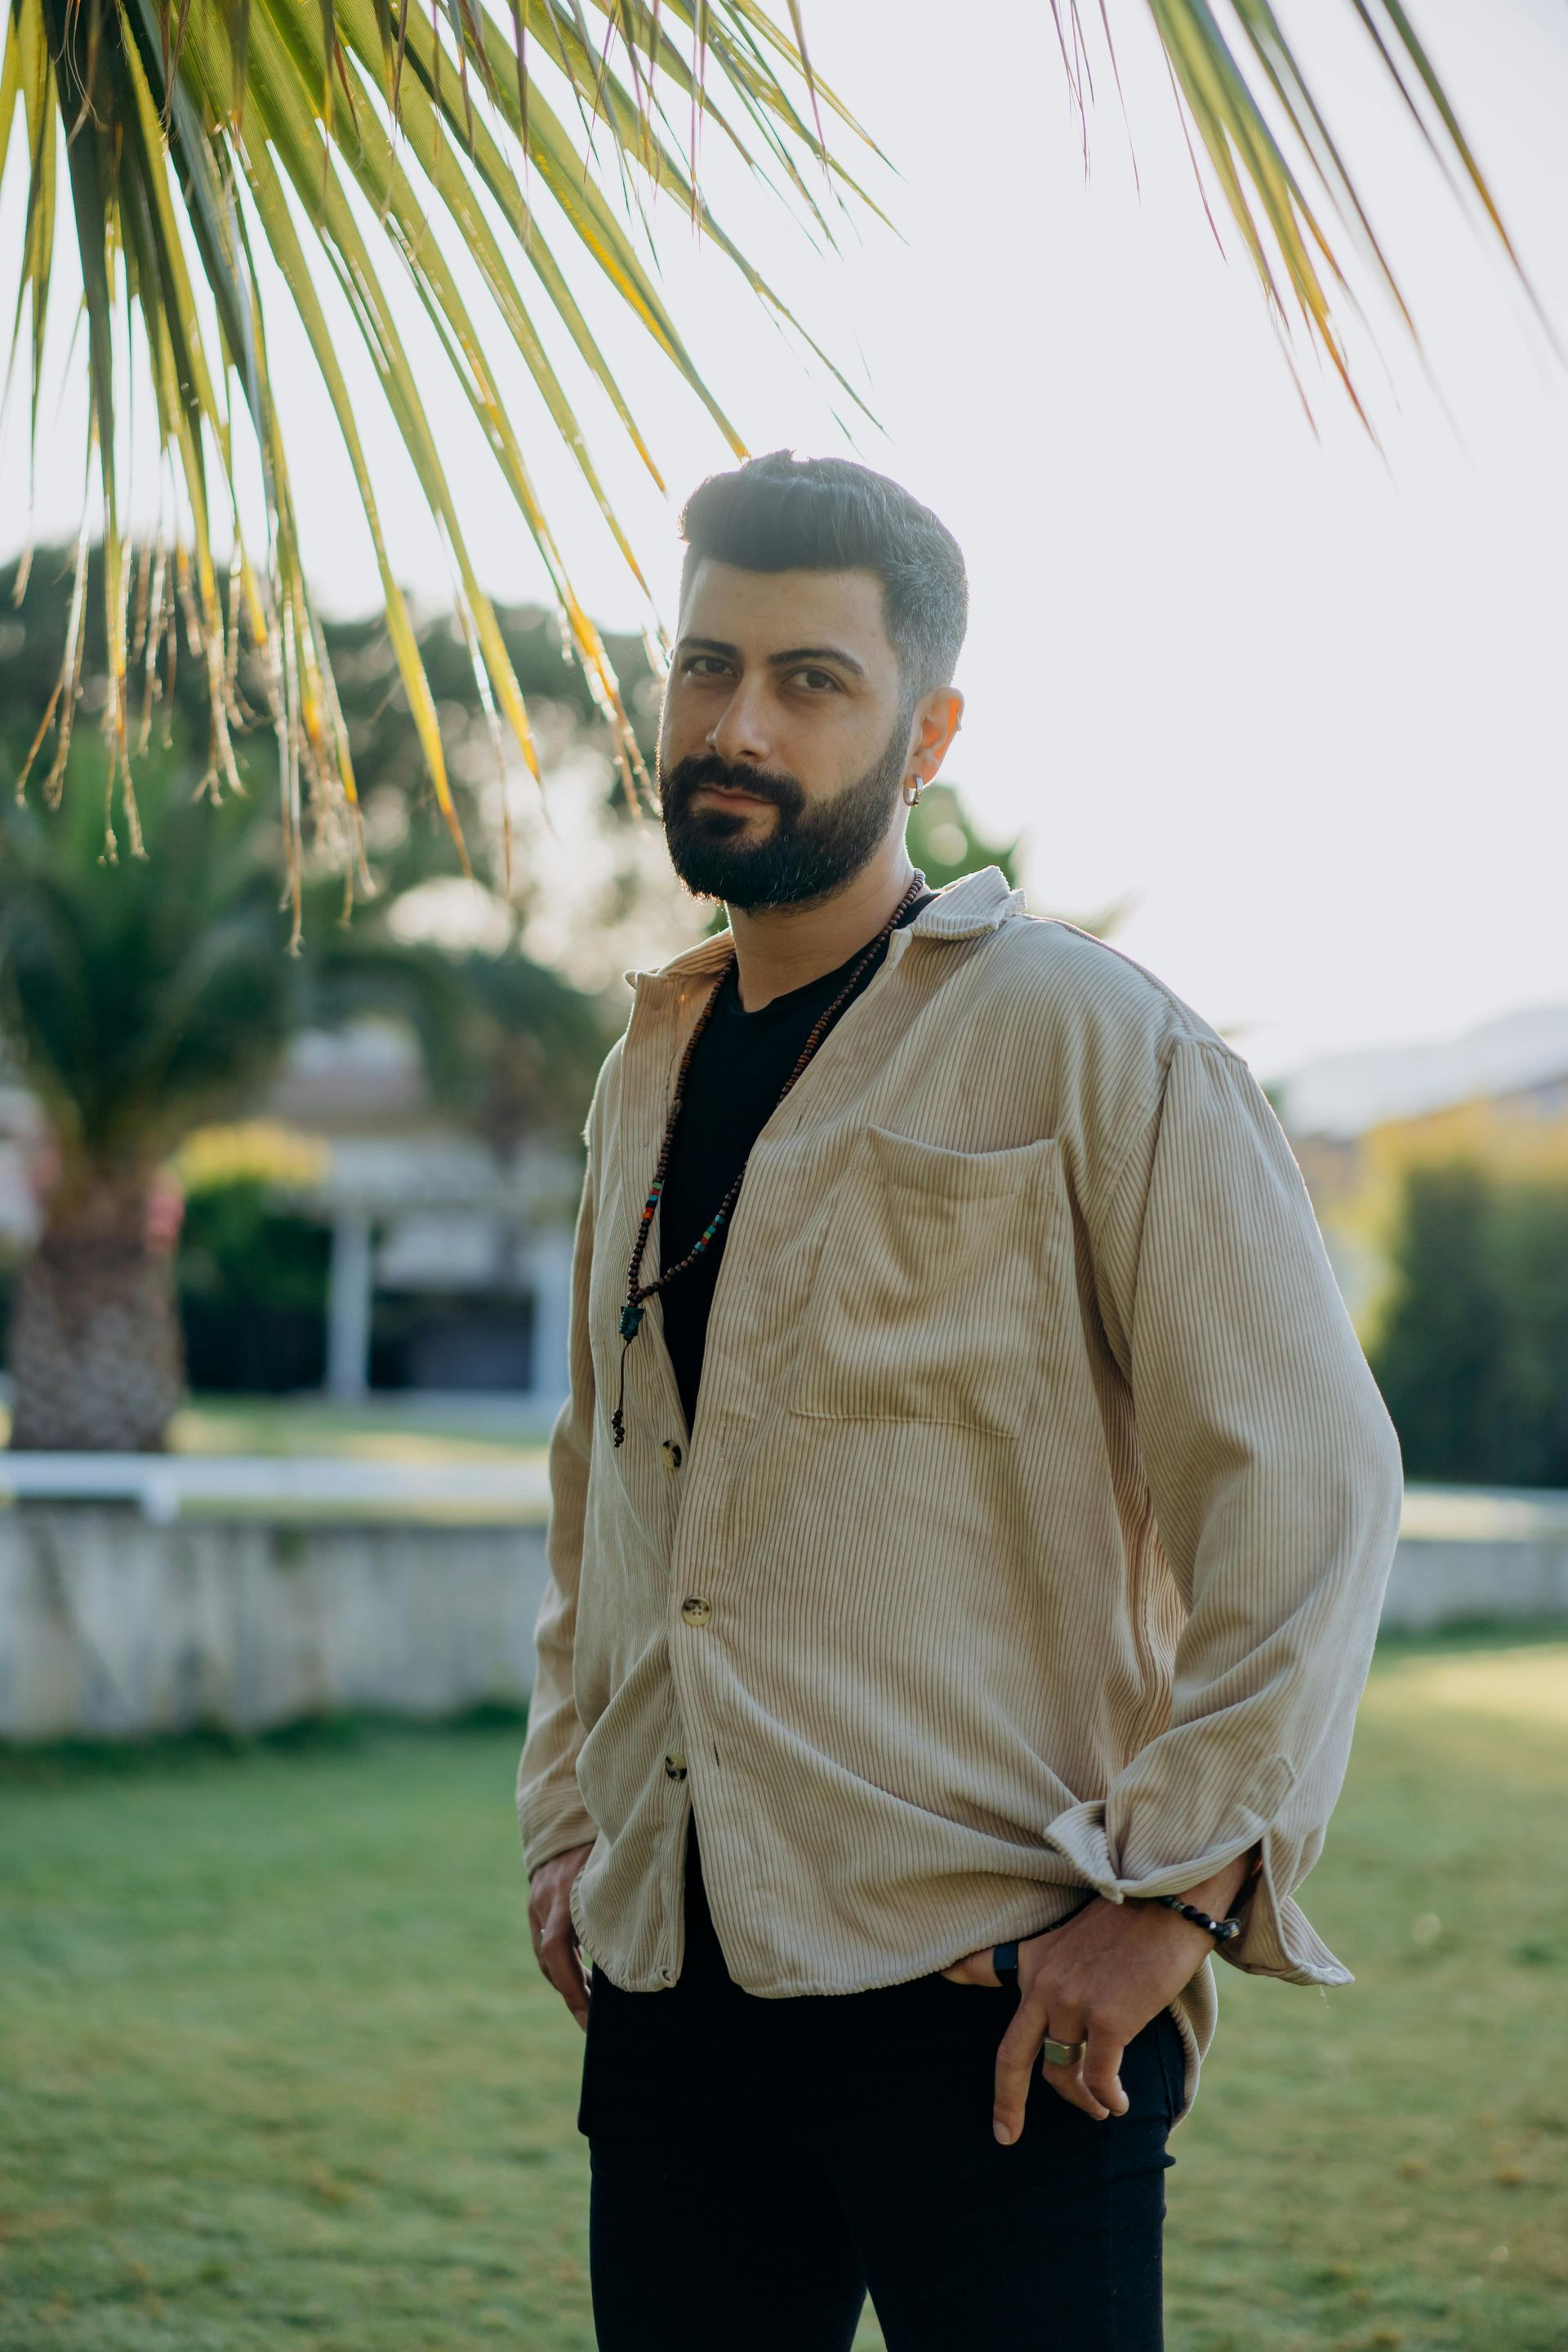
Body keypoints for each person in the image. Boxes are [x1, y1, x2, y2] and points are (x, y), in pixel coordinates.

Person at [518, 452, 1403, 2351]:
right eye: (705, 667)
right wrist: (566, 1830)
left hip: (999, 2009)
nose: (737, 725)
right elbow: (606, 1498)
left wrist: (1171, 1900)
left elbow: (1313, 1482)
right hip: (675, 1999)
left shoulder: (1093, 1039)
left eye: (811, 682)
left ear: (927, 731)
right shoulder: (644, 1071)